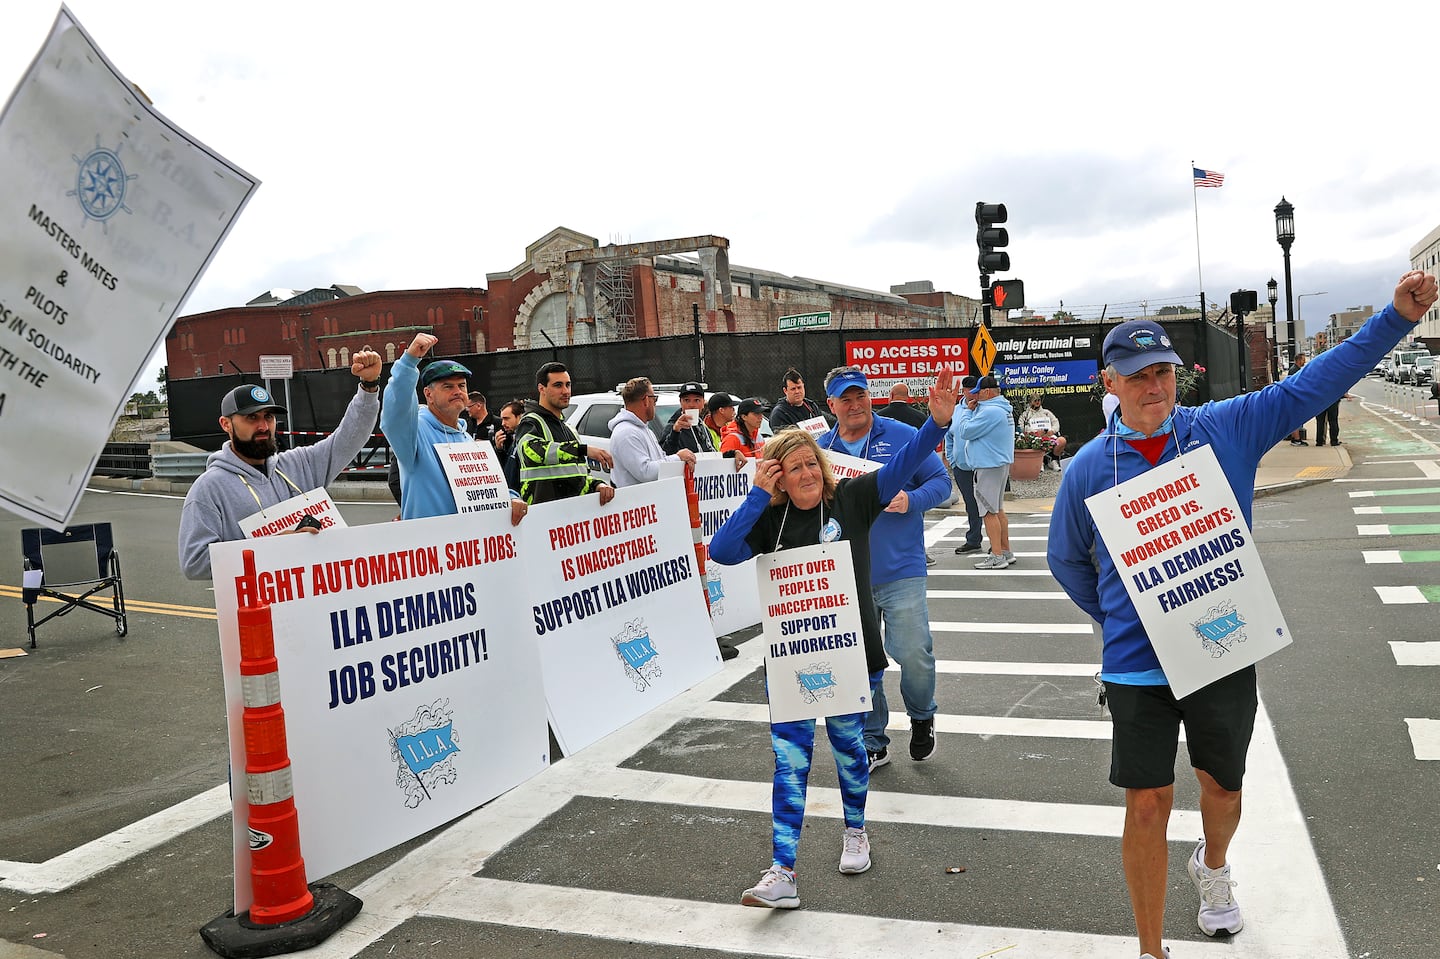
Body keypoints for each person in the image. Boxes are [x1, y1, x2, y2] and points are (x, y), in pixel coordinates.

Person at [1046, 272, 1438, 959]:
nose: (1154, 387)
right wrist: (1122, 613)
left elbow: (1310, 385)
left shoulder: (1221, 430)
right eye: (1138, 376)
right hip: (1137, 665)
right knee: (1146, 801)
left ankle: (1214, 865)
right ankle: (1148, 947)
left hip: (1219, 649)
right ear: (1109, 382)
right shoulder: (1086, 469)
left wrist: (1395, 320)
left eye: (1164, 372)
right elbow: (1067, 561)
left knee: (1222, 787)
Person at [709, 369, 959, 911]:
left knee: (850, 750)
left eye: (809, 465)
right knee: (790, 763)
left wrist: (937, 425)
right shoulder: (768, 520)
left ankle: (855, 831)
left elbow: (904, 463)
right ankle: (782, 869)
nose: (804, 474)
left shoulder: (852, 501)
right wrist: (757, 495)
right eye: (791, 468)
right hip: (793, 662)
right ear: (778, 477)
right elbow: (722, 552)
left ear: (823, 468)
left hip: (850, 657)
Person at [818, 366, 951, 770]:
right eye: (846, 398)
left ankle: (922, 715)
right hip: (848, 576)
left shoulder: (901, 436)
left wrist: (911, 501)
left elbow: (942, 483)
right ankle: (874, 738)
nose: (855, 404)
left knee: (914, 654)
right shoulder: (821, 450)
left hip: (901, 568)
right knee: (861, 661)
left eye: (860, 395)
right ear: (832, 405)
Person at [178, 351, 382, 580]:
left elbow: (349, 438)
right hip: (258, 613)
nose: (264, 426)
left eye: (269, 417)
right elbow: (194, 562)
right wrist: (271, 549)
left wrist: (368, 387)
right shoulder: (209, 487)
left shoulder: (299, 464)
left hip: (312, 605)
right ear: (226, 424)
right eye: (251, 418)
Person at [381, 333, 526, 523]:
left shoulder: (466, 439)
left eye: (462, 386)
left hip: (466, 546)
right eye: (448, 387)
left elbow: (487, 489)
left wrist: (512, 498)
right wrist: (409, 362)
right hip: (432, 547)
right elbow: (395, 414)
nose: (458, 391)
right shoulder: (416, 432)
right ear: (429, 394)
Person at [513, 361, 616, 506]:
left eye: (568, 385)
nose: (566, 391)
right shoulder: (530, 422)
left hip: (572, 518)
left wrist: (598, 485)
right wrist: (583, 449)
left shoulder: (570, 429)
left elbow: (580, 474)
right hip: (544, 515)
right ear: (541, 389)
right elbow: (533, 452)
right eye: (558, 385)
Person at [956, 375, 1014, 569]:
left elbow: (965, 431)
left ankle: (997, 556)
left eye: (977, 393)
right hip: (998, 463)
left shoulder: (989, 411)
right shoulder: (1003, 408)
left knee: (987, 511)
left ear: (987, 392)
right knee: (997, 509)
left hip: (988, 464)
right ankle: (1005, 550)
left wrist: (967, 411)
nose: (974, 397)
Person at [608, 376, 696, 487]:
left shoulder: (644, 430)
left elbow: (660, 459)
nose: (655, 404)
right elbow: (645, 472)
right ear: (646, 400)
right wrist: (678, 458)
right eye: (654, 398)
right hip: (637, 502)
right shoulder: (626, 433)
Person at [944, 375, 984, 555]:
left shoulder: (985, 408)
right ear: (964, 391)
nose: (972, 394)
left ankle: (998, 544)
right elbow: (949, 435)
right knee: (971, 503)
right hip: (961, 464)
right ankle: (974, 539)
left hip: (982, 464)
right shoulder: (956, 410)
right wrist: (953, 459)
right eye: (969, 390)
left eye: (975, 390)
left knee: (989, 504)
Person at [662, 381, 720, 456]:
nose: (691, 405)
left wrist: (731, 454)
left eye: (696, 400)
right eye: (687, 400)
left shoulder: (702, 426)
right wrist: (675, 432)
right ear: (681, 403)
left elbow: (711, 454)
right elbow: (664, 456)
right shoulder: (672, 428)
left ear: (703, 403)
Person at [1018, 394, 1067, 470]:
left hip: (1048, 436)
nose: (1037, 402)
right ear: (1030, 402)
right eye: (1035, 400)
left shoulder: (1046, 412)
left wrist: (1052, 431)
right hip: (1033, 438)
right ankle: (1039, 462)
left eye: (1039, 400)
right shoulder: (1026, 415)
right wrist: (1035, 432)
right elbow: (1022, 427)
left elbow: (1056, 422)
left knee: (1062, 441)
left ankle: (1053, 460)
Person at [767, 368, 826, 432]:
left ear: (803, 386)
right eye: (793, 389)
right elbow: (785, 440)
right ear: (785, 390)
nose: (797, 391)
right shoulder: (779, 413)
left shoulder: (812, 406)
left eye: (799, 387)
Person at [496, 399, 524, 491]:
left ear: (519, 417)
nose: (503, 423)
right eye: (502, 419)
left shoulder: (525, 439)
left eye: (506, 419)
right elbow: (508, 467)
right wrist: (499, 450)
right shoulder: (514, 438)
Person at [1284, 353, 1309, 446]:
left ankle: (1296, 438)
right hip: (1294, 398)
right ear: (1298, 360)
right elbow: (1295, 385)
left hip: (1294, 398)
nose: (1304, 361)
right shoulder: (1295, 370)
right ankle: (1296, 439)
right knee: (1296, 420)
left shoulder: (1295, 369)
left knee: (1297, 419)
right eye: (1303, 360)